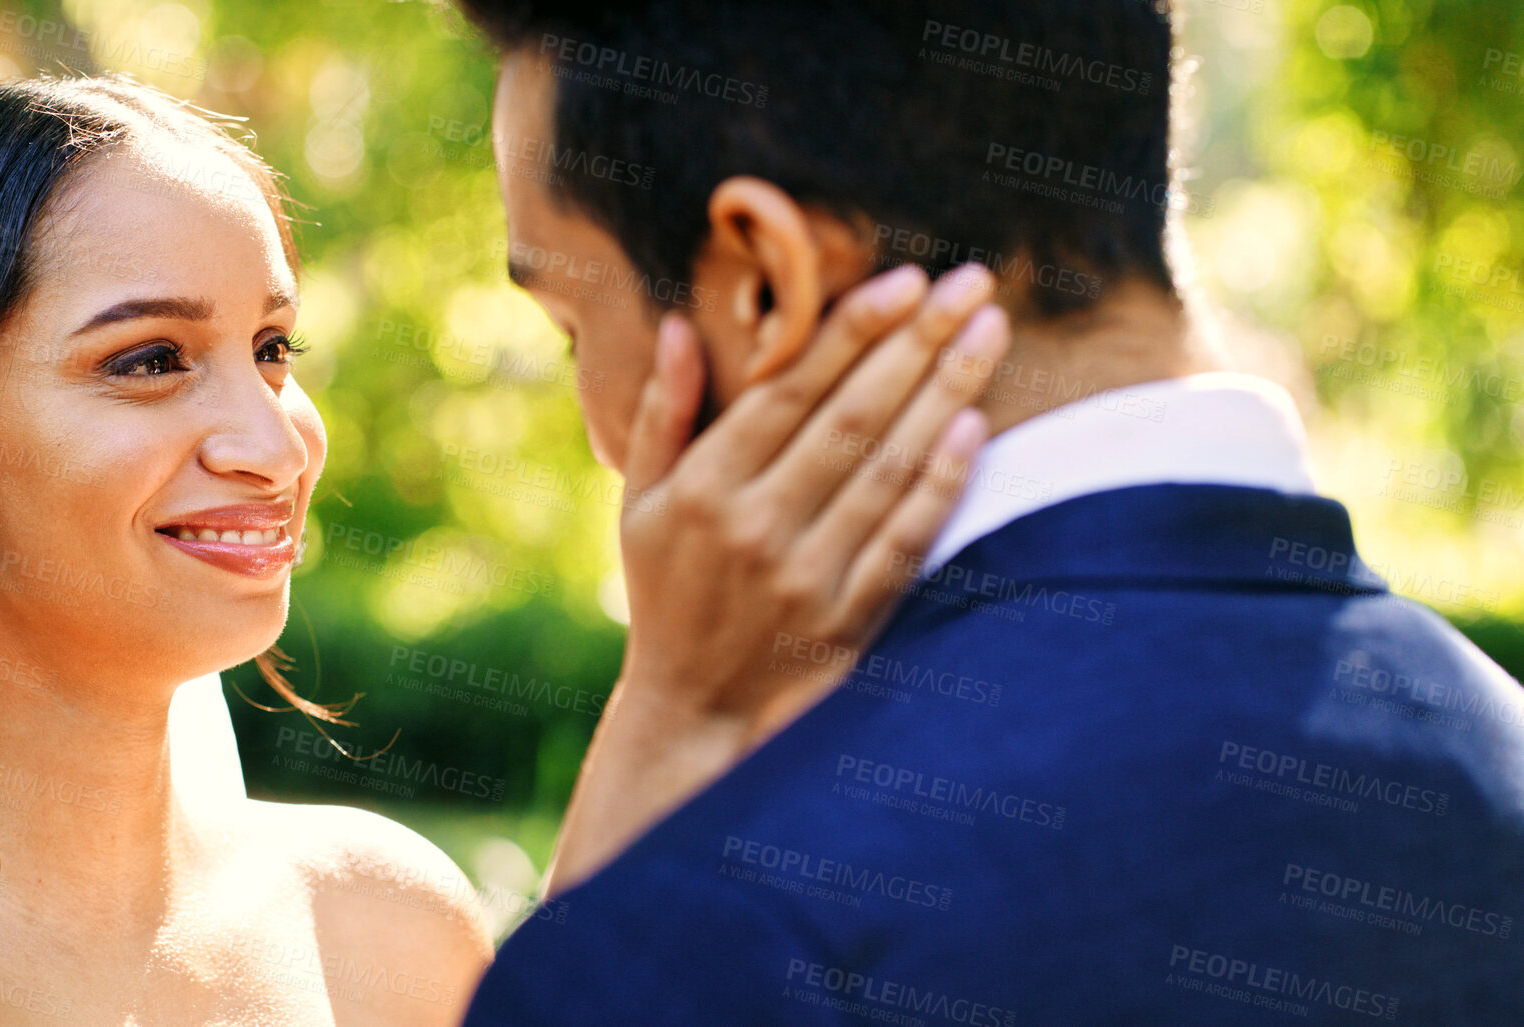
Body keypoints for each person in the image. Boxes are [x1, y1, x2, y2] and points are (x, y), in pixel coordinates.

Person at [0, 74, 995, 1023]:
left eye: (271, 349)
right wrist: (671, 701)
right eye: (149, 359)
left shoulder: (385, 915)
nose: (272, 443)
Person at [453, 0, 1524, 1022]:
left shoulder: (703, 933)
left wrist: (666, 732)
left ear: (763, 284)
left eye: (569, 327)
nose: (601, 433)